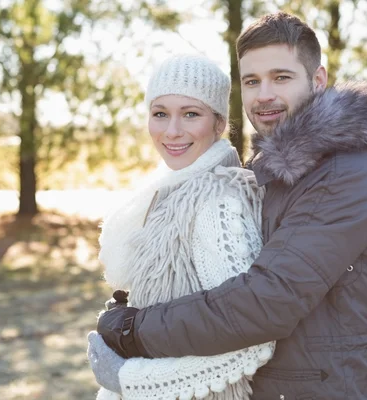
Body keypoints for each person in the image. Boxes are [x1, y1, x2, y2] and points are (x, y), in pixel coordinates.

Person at [96, 11, 367, 399]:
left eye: (281, 77)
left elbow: (267, 301)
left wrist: (133, 331)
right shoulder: (272, 169)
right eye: (251, 81)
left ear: (317, 80)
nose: (264, 95)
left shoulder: (346, 173)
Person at [87, 54, 275, 400]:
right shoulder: (168, 190)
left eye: (191, 114)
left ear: (219, 124)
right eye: (160, 113)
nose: (172, 131)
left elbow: (251, 341)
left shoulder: (216, 200)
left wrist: (131, 378)